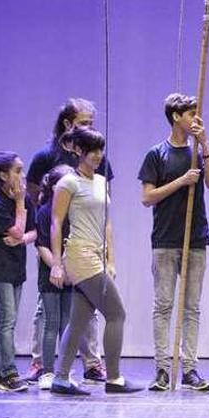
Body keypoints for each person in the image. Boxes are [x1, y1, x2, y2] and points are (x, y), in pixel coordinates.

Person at [23, 98, 110, 384]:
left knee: (88, 303)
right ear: (67, 124)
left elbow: (103, 202)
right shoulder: (46, 156)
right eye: (84, 123)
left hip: (86, 239)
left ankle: (92, 362)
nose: (88, 128)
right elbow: (36, 200)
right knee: (46, 305)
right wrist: (42, 240)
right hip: (54, 240)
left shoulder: (93, 156)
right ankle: (40, 361)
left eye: (90, 123)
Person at [48, 127, 141, 395]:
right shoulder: (68, 183)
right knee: (116, 313)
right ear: (79, 150)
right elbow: (56, 222)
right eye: (93, 150)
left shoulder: (101, 182)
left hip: (96, 256)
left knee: (78, 320)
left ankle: (61, 378)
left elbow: (106, 223)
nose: (98, 155)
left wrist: (111, 259)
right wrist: (56, 262)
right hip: (80, 255)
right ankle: (114, 378)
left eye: (101, 149)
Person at [139, 93, 209, 391]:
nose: (196, 119)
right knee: (163, 305)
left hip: (195, 238)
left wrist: (207, 144)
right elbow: (147, 197)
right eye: (190, 114)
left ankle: (189, 369)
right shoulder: (156, 154)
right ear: (175, 116)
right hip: (165, 239)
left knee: (191, 307)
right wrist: (180, 182)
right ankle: (161, 368)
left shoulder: (198, 151)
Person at [0, 151, 36, 392]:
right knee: (8, 319)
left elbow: (32, 231)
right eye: (17, 171)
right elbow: (16, 229)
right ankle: (8, 373)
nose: (21, 176)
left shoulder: (23, 198)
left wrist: (23, 239)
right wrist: (20, 203)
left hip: (16, 263)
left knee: (8, 320)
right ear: (3, 175)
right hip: (0, 265)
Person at [35, 165, 75, 390]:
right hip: (51, 276)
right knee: (52, 323)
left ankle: (64, 372)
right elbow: (42, 246)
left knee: (67, 324)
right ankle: (47, 371)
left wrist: (70, 271)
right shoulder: (45, 211)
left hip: (70, 276)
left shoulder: (73, 210)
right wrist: (57, 268)